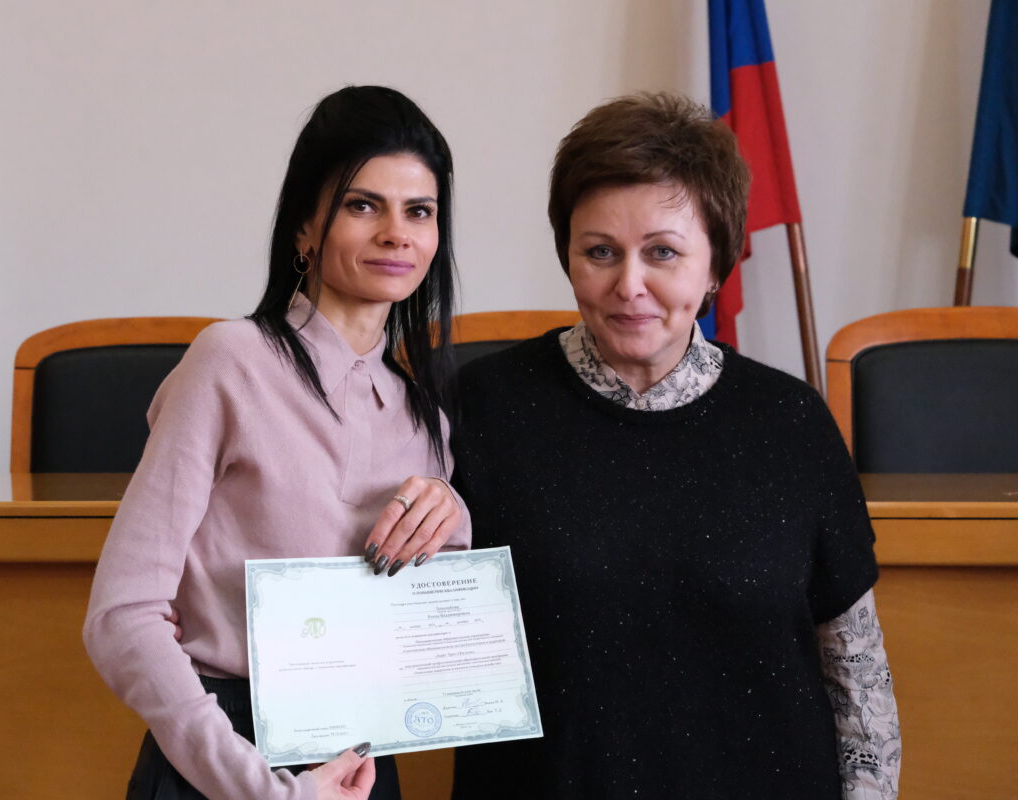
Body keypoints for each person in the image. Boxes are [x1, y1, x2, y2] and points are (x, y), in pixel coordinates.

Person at [450, 93, 900, 799]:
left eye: (662, 252)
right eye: (600, 252)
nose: (629, 285)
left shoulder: (792, 422)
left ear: (716, 263)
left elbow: (857, 674)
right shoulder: (479, 407)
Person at [83, 85, 471, 800]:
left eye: (419, 211)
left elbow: (428, 631)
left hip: (363, 761)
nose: (397, 233)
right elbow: (120, 617)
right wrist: (264, 788)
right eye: (363, 205)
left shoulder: (425, 416)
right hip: (224, 762)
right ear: (304, 229)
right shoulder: (229, 361)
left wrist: (454, 517)